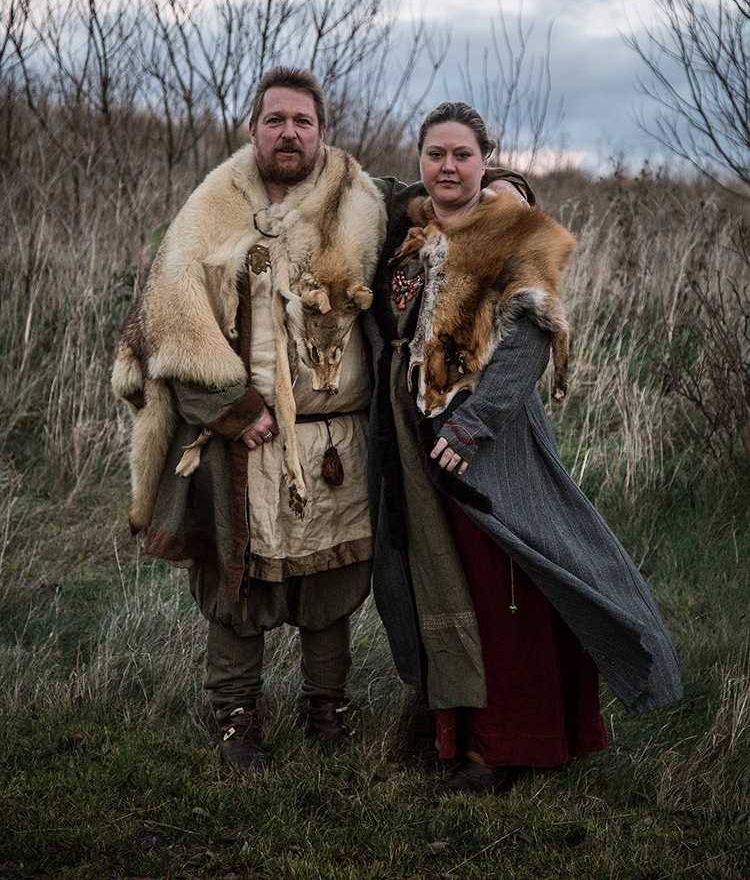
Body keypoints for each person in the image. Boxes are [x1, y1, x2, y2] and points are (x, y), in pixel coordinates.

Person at [367, 101, 682, 797]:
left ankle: (506, 748)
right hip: (415, 452)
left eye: (462, 155)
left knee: (504, 593)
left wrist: (471, 427)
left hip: (488, 447)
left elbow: (531, 341)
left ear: (486, 160)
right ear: (420, 161)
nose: (449, 166)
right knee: (443, 590)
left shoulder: (513, 232)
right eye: (436, 154)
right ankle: (452, 734)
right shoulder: (408, 238)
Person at [112, 66, 386, 769]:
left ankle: (326, 706)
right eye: (276, 120)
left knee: (329, 583)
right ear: (253, 129)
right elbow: (171, 323)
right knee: (239, 584)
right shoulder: (211, 208)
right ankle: (236, 715)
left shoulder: (359, 201)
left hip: (335, 440)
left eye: (302, 120)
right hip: (243, 437)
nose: (289, 132)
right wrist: (231, 408)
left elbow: (431, 222)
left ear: (322, 131)